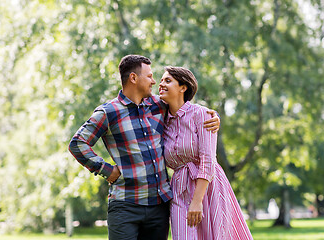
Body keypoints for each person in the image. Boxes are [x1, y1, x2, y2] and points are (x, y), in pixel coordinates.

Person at [68, 55, 220, 240]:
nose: (154, 81)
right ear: (133, 78)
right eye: (149, 76)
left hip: (159, 206)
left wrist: (212, 116)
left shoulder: (159, 105)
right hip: (125, 206)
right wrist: (106, 169)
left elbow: (186, 111)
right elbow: (78, 143)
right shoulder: (109, 112)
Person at [159, 66, 253, 240]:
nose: (161, 84)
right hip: (179, 188)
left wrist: (197, 201)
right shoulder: (162, 120)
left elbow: (208, 160)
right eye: (161, 80)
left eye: (167, 80)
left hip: (208, 185)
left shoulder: (202, 115)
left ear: (183, 87)